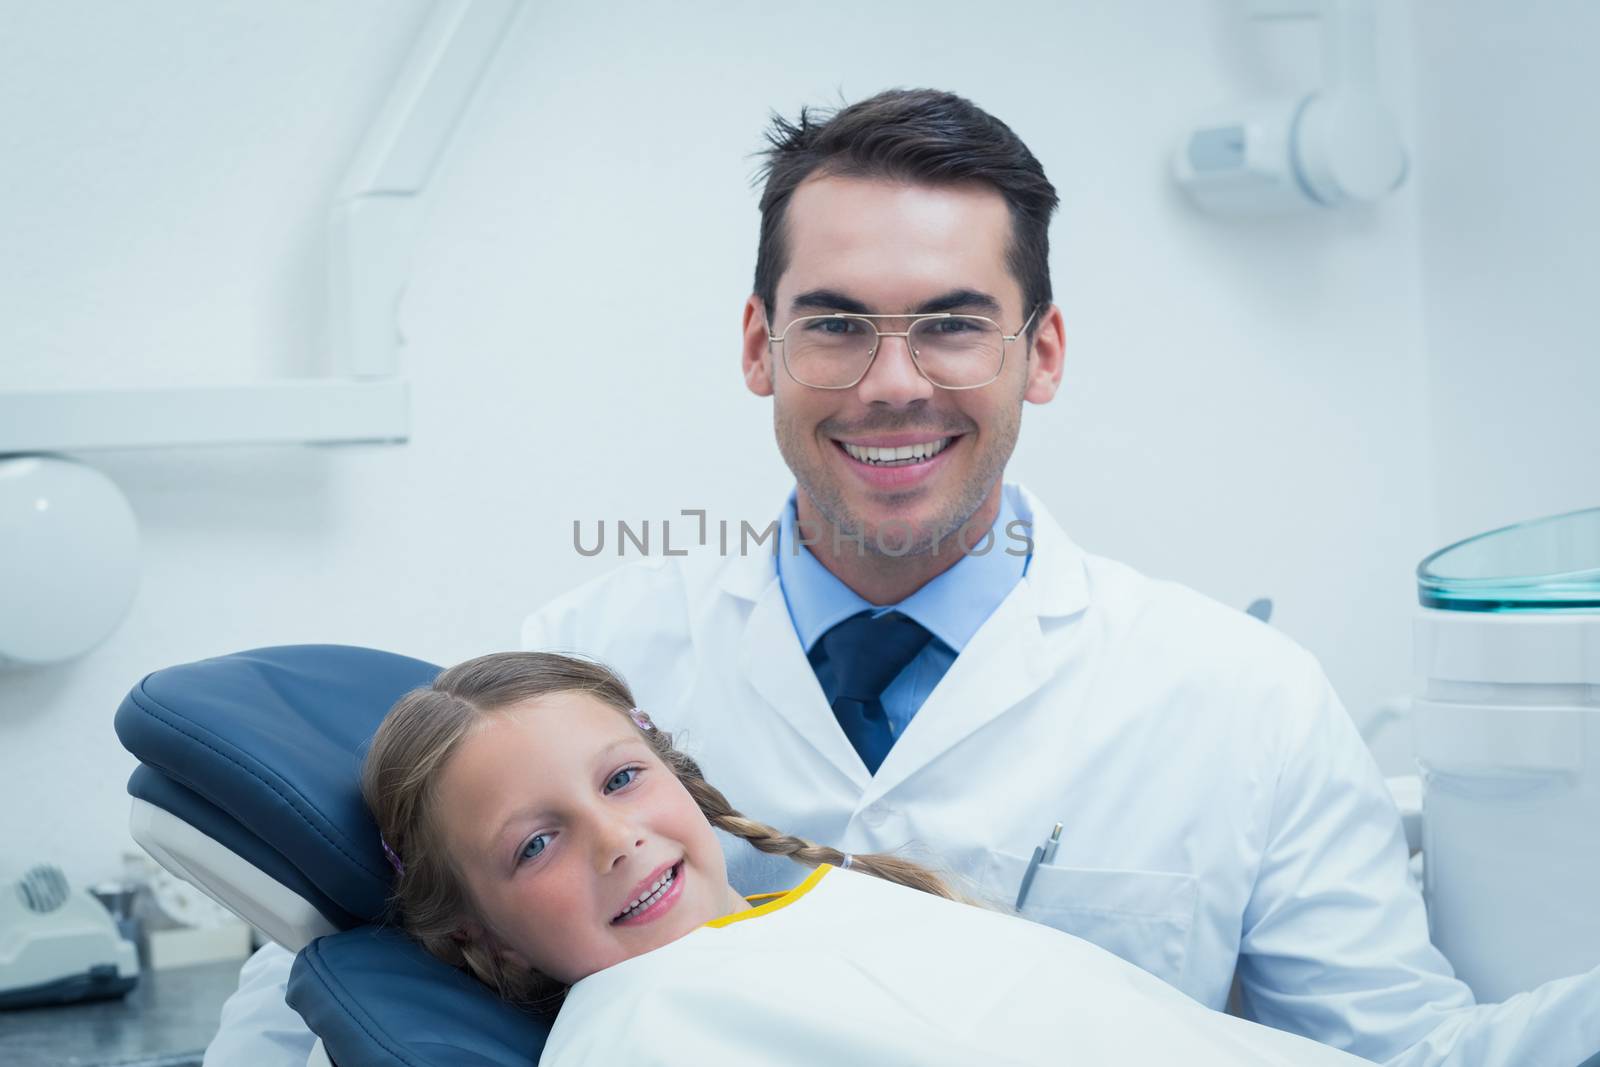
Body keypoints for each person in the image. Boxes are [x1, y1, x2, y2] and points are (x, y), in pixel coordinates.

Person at [204, 89, 1600, 1066]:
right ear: (758, 344)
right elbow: (310, 1001)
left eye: (951, 325)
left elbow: (1411, 1054)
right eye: (835, 327)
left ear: (1039, 353)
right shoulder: (588, 664)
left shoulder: (1242, 699)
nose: (891, 385)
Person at [360, 648, 1369, 1065]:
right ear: (477, 932)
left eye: (621, 779)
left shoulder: (839, 904)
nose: (616, 837)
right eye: (537, 842)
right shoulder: (641, 1025)